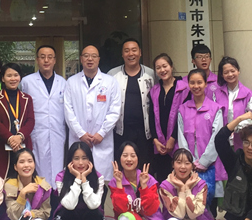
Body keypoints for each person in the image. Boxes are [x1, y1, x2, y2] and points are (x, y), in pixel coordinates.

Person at [64, 45, 121, 178]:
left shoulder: (110, 82)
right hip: (78, 138)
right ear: (81, 59)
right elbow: (68, 111)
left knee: (101, 180)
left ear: (98, 59)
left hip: (102, 140)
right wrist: (80, 133)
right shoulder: (71, 82)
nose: (90, 59)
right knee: (77, 178)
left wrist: (102, 133)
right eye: (86, 56)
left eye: (94, 56)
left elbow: (115, 110)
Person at [176, 69, 226, 206]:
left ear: (205, 84)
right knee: (189, 204)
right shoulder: (183, 109)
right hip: (188, 166)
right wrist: (189, 160)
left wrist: (204, 161)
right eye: (192, 83)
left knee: (209, 205)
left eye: (199, 82)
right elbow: (181, 136)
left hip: (211, 164)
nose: (196, 86)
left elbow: (217, 137)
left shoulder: (215, 109)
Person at [20, 44, 66, 189]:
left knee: (58, 169)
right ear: (37, 60)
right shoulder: (27, 82)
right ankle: (39, 198)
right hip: (36, 133)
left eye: (50, 57)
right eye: (42, 57)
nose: (46, 60)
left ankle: (56, 197)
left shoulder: (63, 82)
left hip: (57, 132)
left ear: (55, 60)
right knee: (37, 168)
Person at [53, 142, 104, 220]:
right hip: (69, 218)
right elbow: (68, 205)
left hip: (88, 217)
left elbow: (94, 204)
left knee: (97, 213)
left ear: (90, 160)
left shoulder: (98, 177)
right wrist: (77, 179)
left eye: (84, 158)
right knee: (64, 213)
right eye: (76, 158)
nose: (80, 163)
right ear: (70, 161)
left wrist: (84, 181)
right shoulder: (61, 177)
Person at [108, 39, 156, 166]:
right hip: (121, 131)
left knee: (145, 166)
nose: (131, 54)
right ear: (122, 54)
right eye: (127, 51)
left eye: (134, 50)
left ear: (140, 52)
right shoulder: (112, 75)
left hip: (144, 131)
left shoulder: (151, 74)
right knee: (122, 165)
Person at [147, 53, 189, 182]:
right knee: (162, 181)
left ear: (171, 67)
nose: (162, 70)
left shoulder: (184, 88)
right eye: (158, 68)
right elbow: (151, 116)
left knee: (178, 180)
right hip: (159, 144)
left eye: (165, 66)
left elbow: (184, 116)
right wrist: (155, 139)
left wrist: (172, 138)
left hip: (178, 141)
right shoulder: (154, 90)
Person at [0, 63, 35, 179]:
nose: (13, 79)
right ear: (3, 78)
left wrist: (19, 137)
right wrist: (10, 138)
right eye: (9, 76)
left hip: (23, 144)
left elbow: (30, 121)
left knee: (25, 177)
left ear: (20, 77)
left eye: (16, 75)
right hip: (2, 146)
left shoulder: (27, 98)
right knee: (2, 179)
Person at [212, 57, 252, 132]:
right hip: (222, 135)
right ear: (222, 75)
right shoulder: (216, 94)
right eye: (226, 72)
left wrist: (236, 129)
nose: (230, 74)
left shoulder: (248, 94)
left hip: (241, 135)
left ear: (238, 71)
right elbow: (214, 117)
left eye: (233, 71)